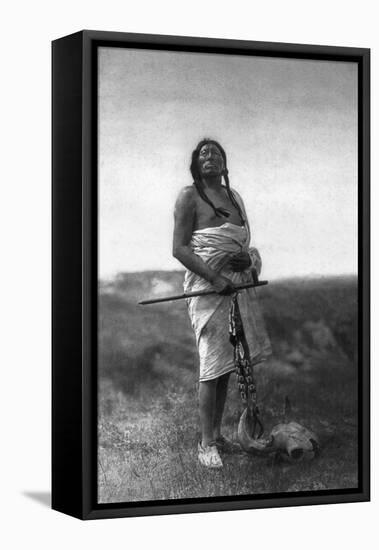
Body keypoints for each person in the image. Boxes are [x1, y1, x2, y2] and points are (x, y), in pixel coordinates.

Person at [172, 139, 271, 468]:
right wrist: (215, 279)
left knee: (226, 364)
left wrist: (245, 260)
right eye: (203, 153)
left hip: (237, 288)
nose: (209, 156)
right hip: (207, 288)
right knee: (211, 366)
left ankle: (215, 434)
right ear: (196, 164)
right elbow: (180, 249)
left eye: (215, 153)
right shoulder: (189, 196)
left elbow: (244, 243)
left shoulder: (235, 197)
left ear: (224, 164)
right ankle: (205, 444)